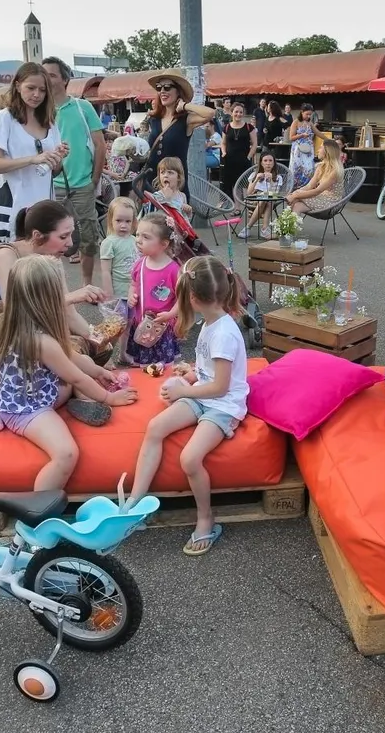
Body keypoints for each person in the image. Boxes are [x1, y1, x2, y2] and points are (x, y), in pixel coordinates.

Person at [125, 254, 249, 556]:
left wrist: (183, 391)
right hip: (203, 393)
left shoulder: (223, 333)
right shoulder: (211, 322)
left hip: (223, 405)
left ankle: (206, 518)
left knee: (190, 459)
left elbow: (221, 386)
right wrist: (192, 373)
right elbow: (210, 371)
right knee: (155, 428)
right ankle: (134, 504)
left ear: (193, 298)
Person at [0, 255, 138, 491]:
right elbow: (75, 376)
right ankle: (37, 512)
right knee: (66, 454)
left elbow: (72, 358)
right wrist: (109, 398)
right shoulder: (41, 341)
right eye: (59, 292)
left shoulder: (26, 323)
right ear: (46, 300)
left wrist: (98, 370)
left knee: (85, 361)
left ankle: (81, 401)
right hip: (27, 410)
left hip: (35, 390)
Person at [0, 201, 107, 345]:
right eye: (63, 237)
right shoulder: (6, 255)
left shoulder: (51, 258)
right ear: (37, 235)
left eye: (71, 235)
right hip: (0, 339)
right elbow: (15, 311)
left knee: (90, 352)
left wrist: (101, 341)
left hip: (34, 334)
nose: (70, 243)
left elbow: (69, 314)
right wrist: (70, 298)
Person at [0, 62, 67, 243]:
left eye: (42, 90)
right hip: (14, 203)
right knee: (16, 264)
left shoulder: (50, 123)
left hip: (44, 205)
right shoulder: (5, 118)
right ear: (17, 86)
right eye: (31, 88)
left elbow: (55, 171)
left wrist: (58, 156)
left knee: (43, 263)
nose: (36, 94)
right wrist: (32, 159)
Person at [43, 57, 105, 285]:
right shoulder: (40, 111)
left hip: (82, 184)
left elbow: (100, 144)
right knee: (49, 240)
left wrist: (94, 179)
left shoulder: (82, 107)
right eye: (44, 75)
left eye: (51, 75)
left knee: (87, 238)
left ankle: (87, 284)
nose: (46, 79)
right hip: (49, 185)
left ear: (65, 79)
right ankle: (54, 286)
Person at [125, 212, 181, 366]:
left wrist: (171, 314)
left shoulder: (173, 270)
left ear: (163, 244)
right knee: (143, 367)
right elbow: (133, 283)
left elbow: (182, 298)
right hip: (142, 325)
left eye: (146, 237)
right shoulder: (139, 264)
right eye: (137, 235)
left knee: (164, 366)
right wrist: (131, 295)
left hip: (161, 329)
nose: (138, 241)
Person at [145, 71, 214, 180]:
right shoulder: (154, 119)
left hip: (175, 184)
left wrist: (185, 105)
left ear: (178, 92)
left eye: (167, 87)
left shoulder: (186, 119)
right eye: (159, 88)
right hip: (151, 179)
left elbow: (210, 113)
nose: (162, 91)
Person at [287, 137, 345, 215]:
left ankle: (286, 224)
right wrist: (296, 192)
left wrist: (296, 195)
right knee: (297, 205)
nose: (318, 150)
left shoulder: (335, 171)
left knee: (296, 198)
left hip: (331, 202)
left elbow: (317, 191)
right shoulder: (321, 167)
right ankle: (287, 225)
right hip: (321, 197)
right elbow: (310, 185)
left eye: (321, 148)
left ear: (327, 151)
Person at [99, 196, 137, 304]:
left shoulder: (136, 240)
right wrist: (108, 293)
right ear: (111, 220)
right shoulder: (108, 243)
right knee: (120, 320)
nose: (123, 225)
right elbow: (106, 271)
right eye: (119, 220)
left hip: (135, 292)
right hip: (118, 292)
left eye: (128, 221)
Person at [240, 150, 283, 239]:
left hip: (269, 201)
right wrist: (256, 179)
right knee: (266, 200)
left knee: (268, 200)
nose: (268, 163)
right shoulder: (254, 175)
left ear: (274, 163)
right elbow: (249, 193)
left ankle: (248, 228)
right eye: (265, 161)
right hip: (253, 201)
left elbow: (275, 195)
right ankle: (264, 229)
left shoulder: (278, 177)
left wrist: (271, 181)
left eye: (270, 161)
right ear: (261, 163)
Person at [221, 103, 258, 191]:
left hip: (244, 160)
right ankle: (233, 204)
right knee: (229, 186)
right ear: (232, 113)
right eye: (236, 112)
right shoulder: (226, 127)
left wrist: (249, 156)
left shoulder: (249, 127)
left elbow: (255, 143)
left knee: (244, 186)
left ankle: (243, 204)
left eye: (241, 112)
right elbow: (223, 143)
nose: (238, 114)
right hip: (229, 160)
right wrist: (224, 152)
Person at [288, 103, 318, 189]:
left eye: (310, 114)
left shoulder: (310, 123)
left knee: (309, 167)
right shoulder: (296, 122)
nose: (308, 116)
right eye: (307, 114)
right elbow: (291, 137)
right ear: (302, 112)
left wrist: (327, 139)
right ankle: (295, 188)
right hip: (298, 148)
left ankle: (307, 187)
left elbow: (317, 132)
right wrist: (301, 135)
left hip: (308, 149)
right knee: (297, 168)